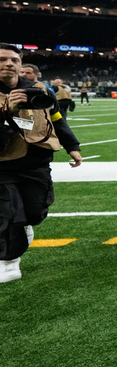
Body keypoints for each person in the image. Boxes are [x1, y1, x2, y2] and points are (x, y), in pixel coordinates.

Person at [0, 45, 83, 283]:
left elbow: (57, 120)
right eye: (2, 59)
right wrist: (7, 111)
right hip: (3, 163)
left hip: (36, 160)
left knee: (35, 211)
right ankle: (8, 261)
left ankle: (26, 225)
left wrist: (73, 146)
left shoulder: (39, 90)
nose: (8, 64)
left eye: (14, 59)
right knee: (8, 210)